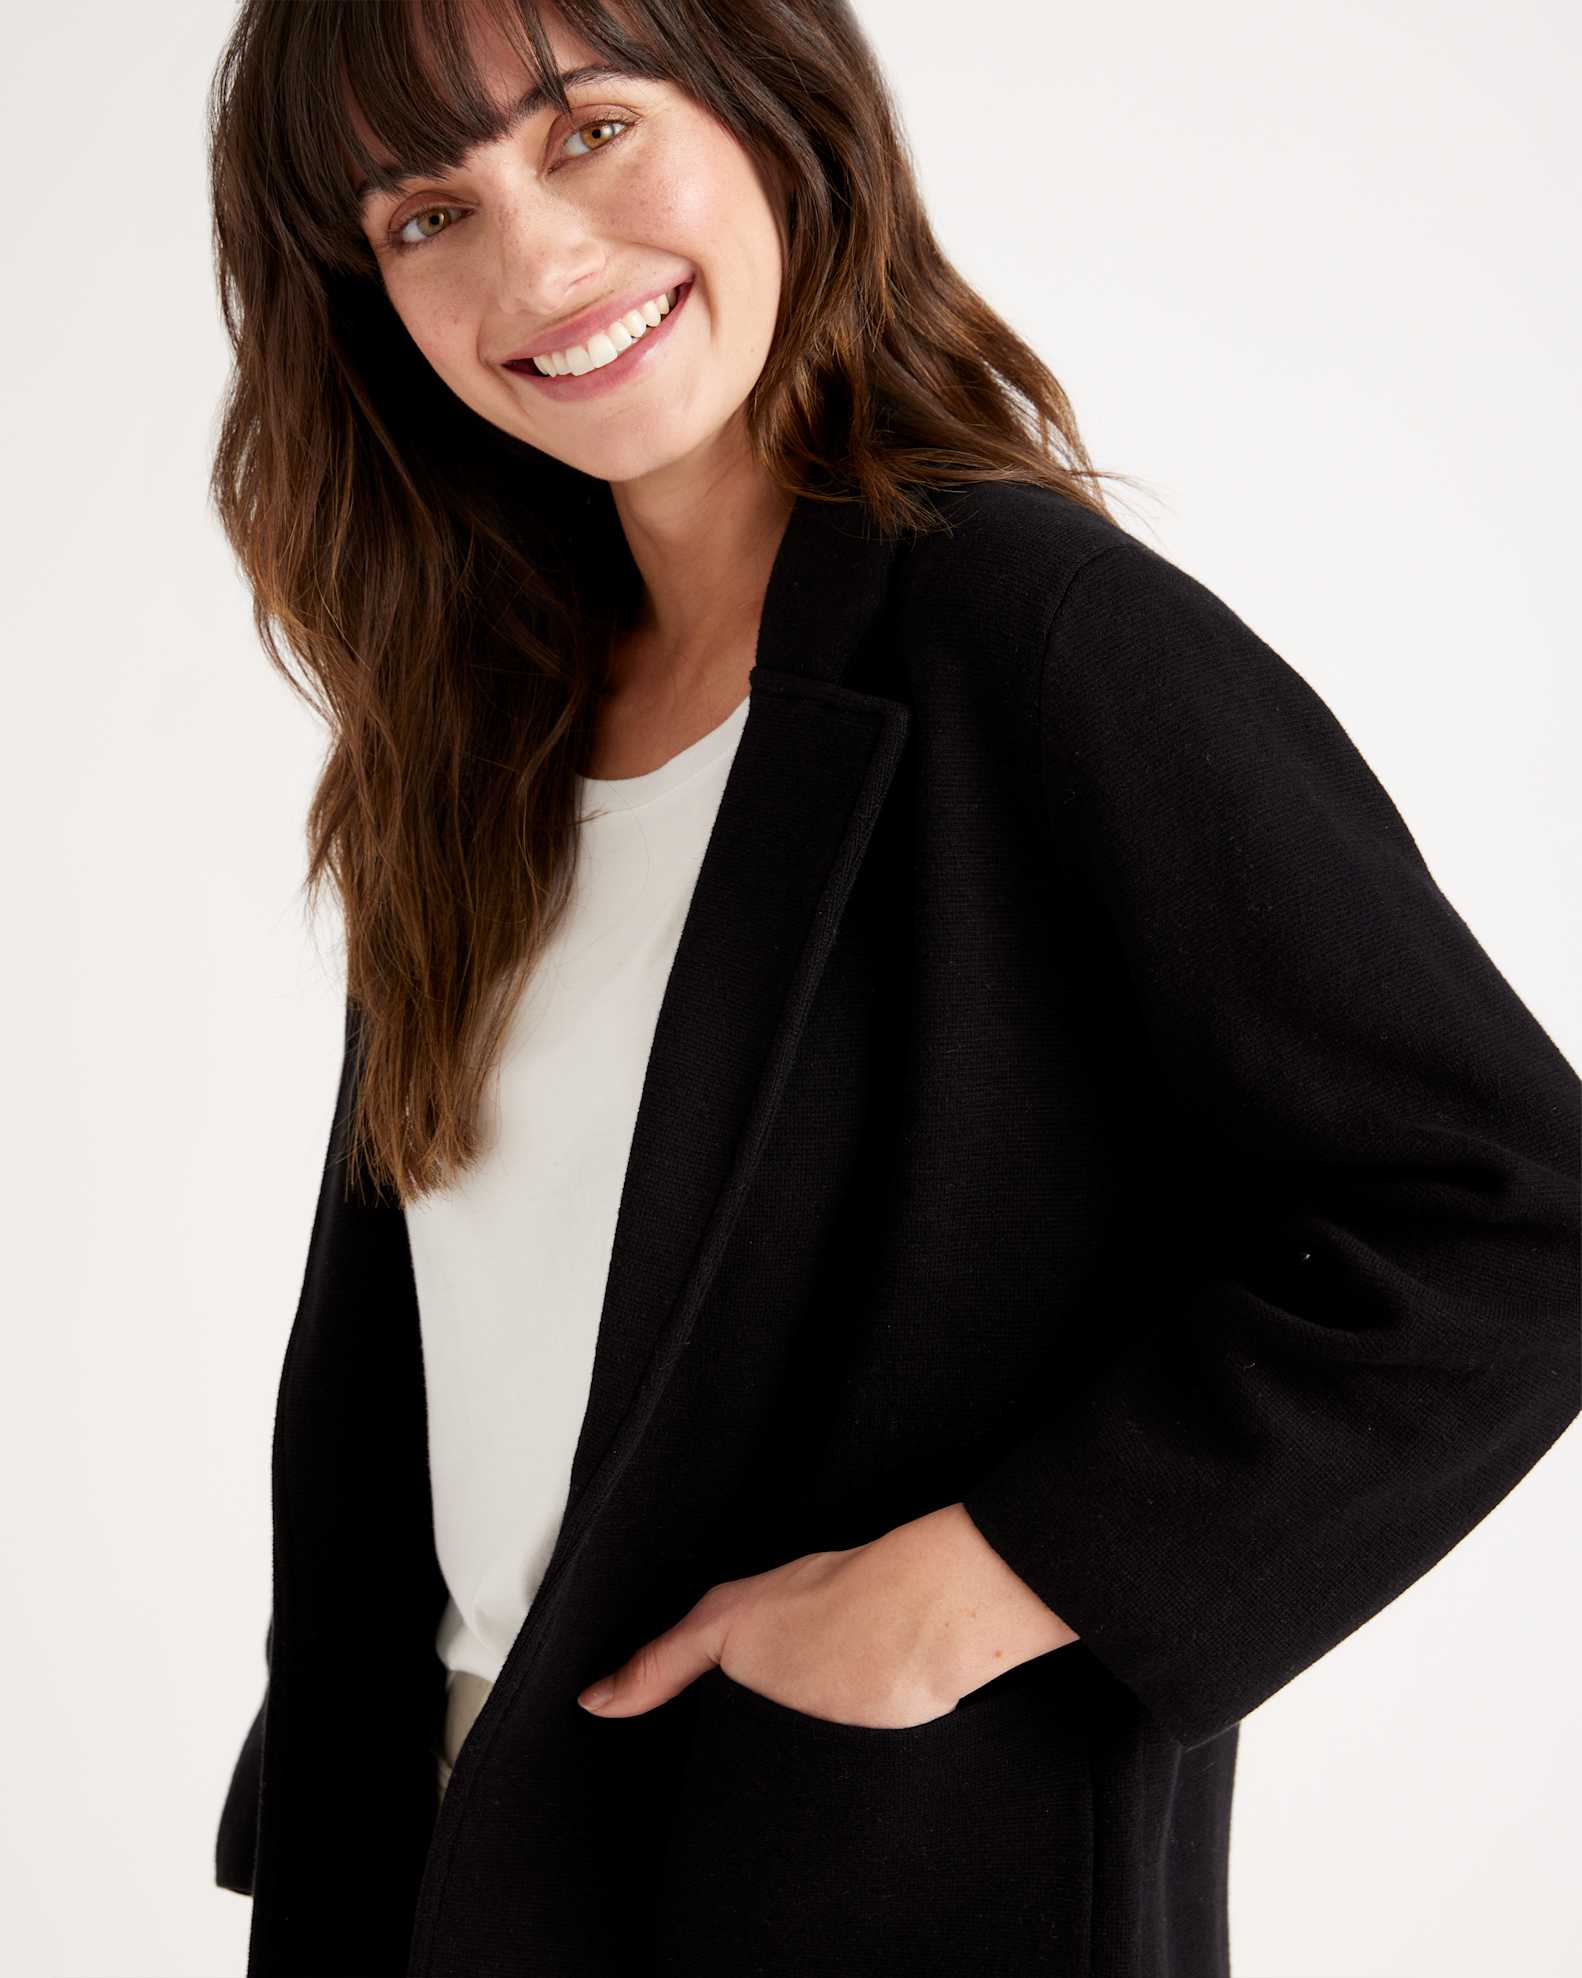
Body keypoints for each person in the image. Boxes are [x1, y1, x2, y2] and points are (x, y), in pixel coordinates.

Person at [207, 3, 1581, 1975]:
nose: (535, 260)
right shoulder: (478, 727)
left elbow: (1509, 1215)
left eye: (587, 129)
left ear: (773, 109)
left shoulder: (1034, 636)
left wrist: (982, 1583)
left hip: (854, 1873)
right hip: (452, 1857)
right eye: (426, 214)